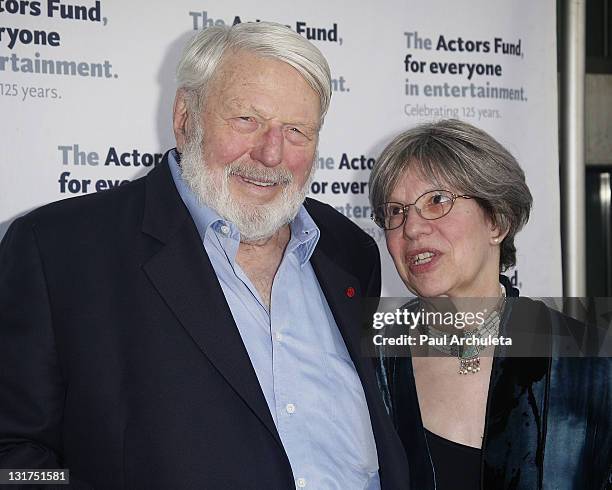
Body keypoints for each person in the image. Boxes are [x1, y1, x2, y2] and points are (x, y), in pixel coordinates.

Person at [0, 22, 410, 489]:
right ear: (184, 117)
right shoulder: (58, 248)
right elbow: (12, 456)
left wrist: (504, 320)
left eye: (297, 130)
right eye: (246, 120)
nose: (271, 153)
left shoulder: (349, 250)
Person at [369, 119, 612, 489]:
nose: (412, 228)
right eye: (396, 212)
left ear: (497, 221)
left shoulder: (590, 366)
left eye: (437, 201)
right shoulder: (373, 366)